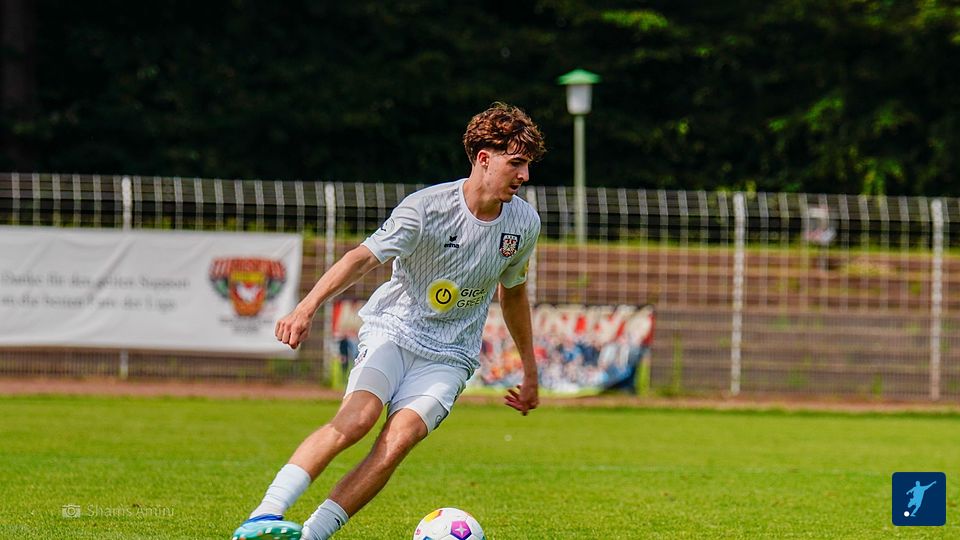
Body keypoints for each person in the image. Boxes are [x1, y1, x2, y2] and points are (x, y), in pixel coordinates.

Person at [231, 102, 546, 540]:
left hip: (450, 355)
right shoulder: (426, 208)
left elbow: (513, 295)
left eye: (527, 166)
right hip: (393, 331)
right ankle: (264, 515)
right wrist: (305, 308)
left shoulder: (524, 223)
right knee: (357, 420)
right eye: (516, 163)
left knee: (397, 441)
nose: (524, 176)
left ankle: (311, 535)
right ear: (483, 159)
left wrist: (530, 371)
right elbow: (361, 259)